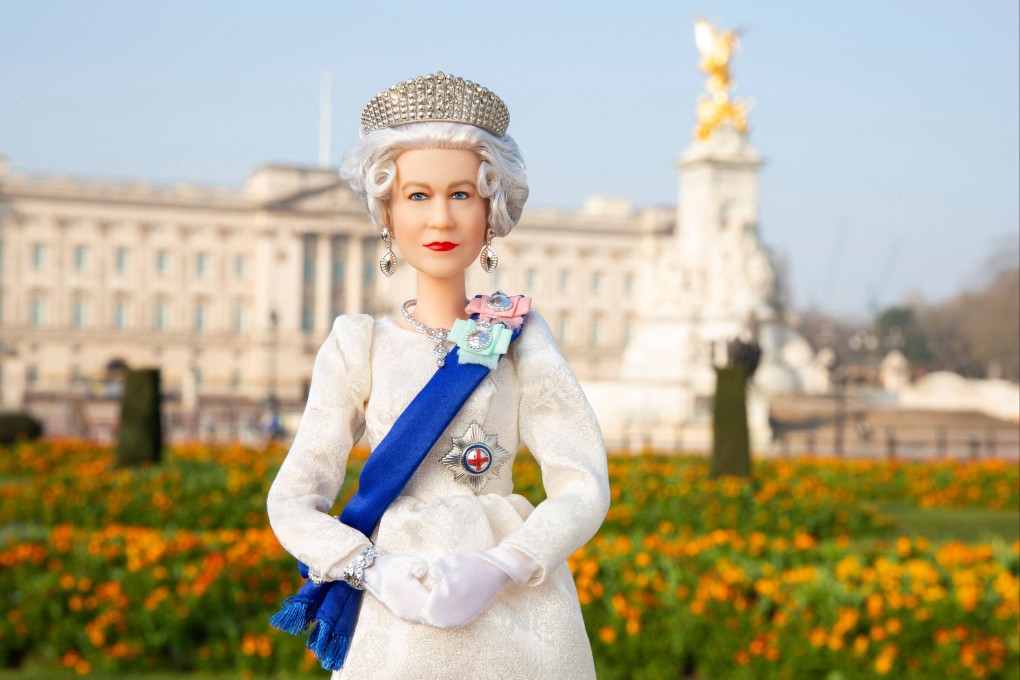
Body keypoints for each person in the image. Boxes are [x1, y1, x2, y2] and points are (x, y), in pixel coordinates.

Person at [267, 72, 610, 679]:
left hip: (516, 616)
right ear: (387, 211)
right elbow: (293, 500)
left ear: (491, 209)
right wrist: (372, 568)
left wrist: (506, 562)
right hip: (397, 614)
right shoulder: (358, 344)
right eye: (418, 196)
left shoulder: (520, 337)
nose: (442, 219)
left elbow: (583, 483)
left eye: (462, 195)